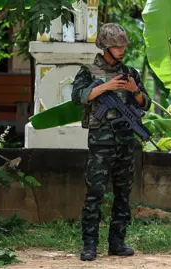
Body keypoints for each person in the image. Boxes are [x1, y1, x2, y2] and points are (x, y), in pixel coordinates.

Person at [71, 23, 152, 261]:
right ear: (106, 47)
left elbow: (144, 103)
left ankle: (117, 242)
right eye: (117, 46)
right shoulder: (88, 71)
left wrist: (134, 90)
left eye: (123, 45)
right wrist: (105, 87)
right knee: (95, 193)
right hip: (101, 143)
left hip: (125, 142)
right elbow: (78, 97)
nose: (122, 50)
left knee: (123, 194)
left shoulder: (131, 73)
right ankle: (89, 245)